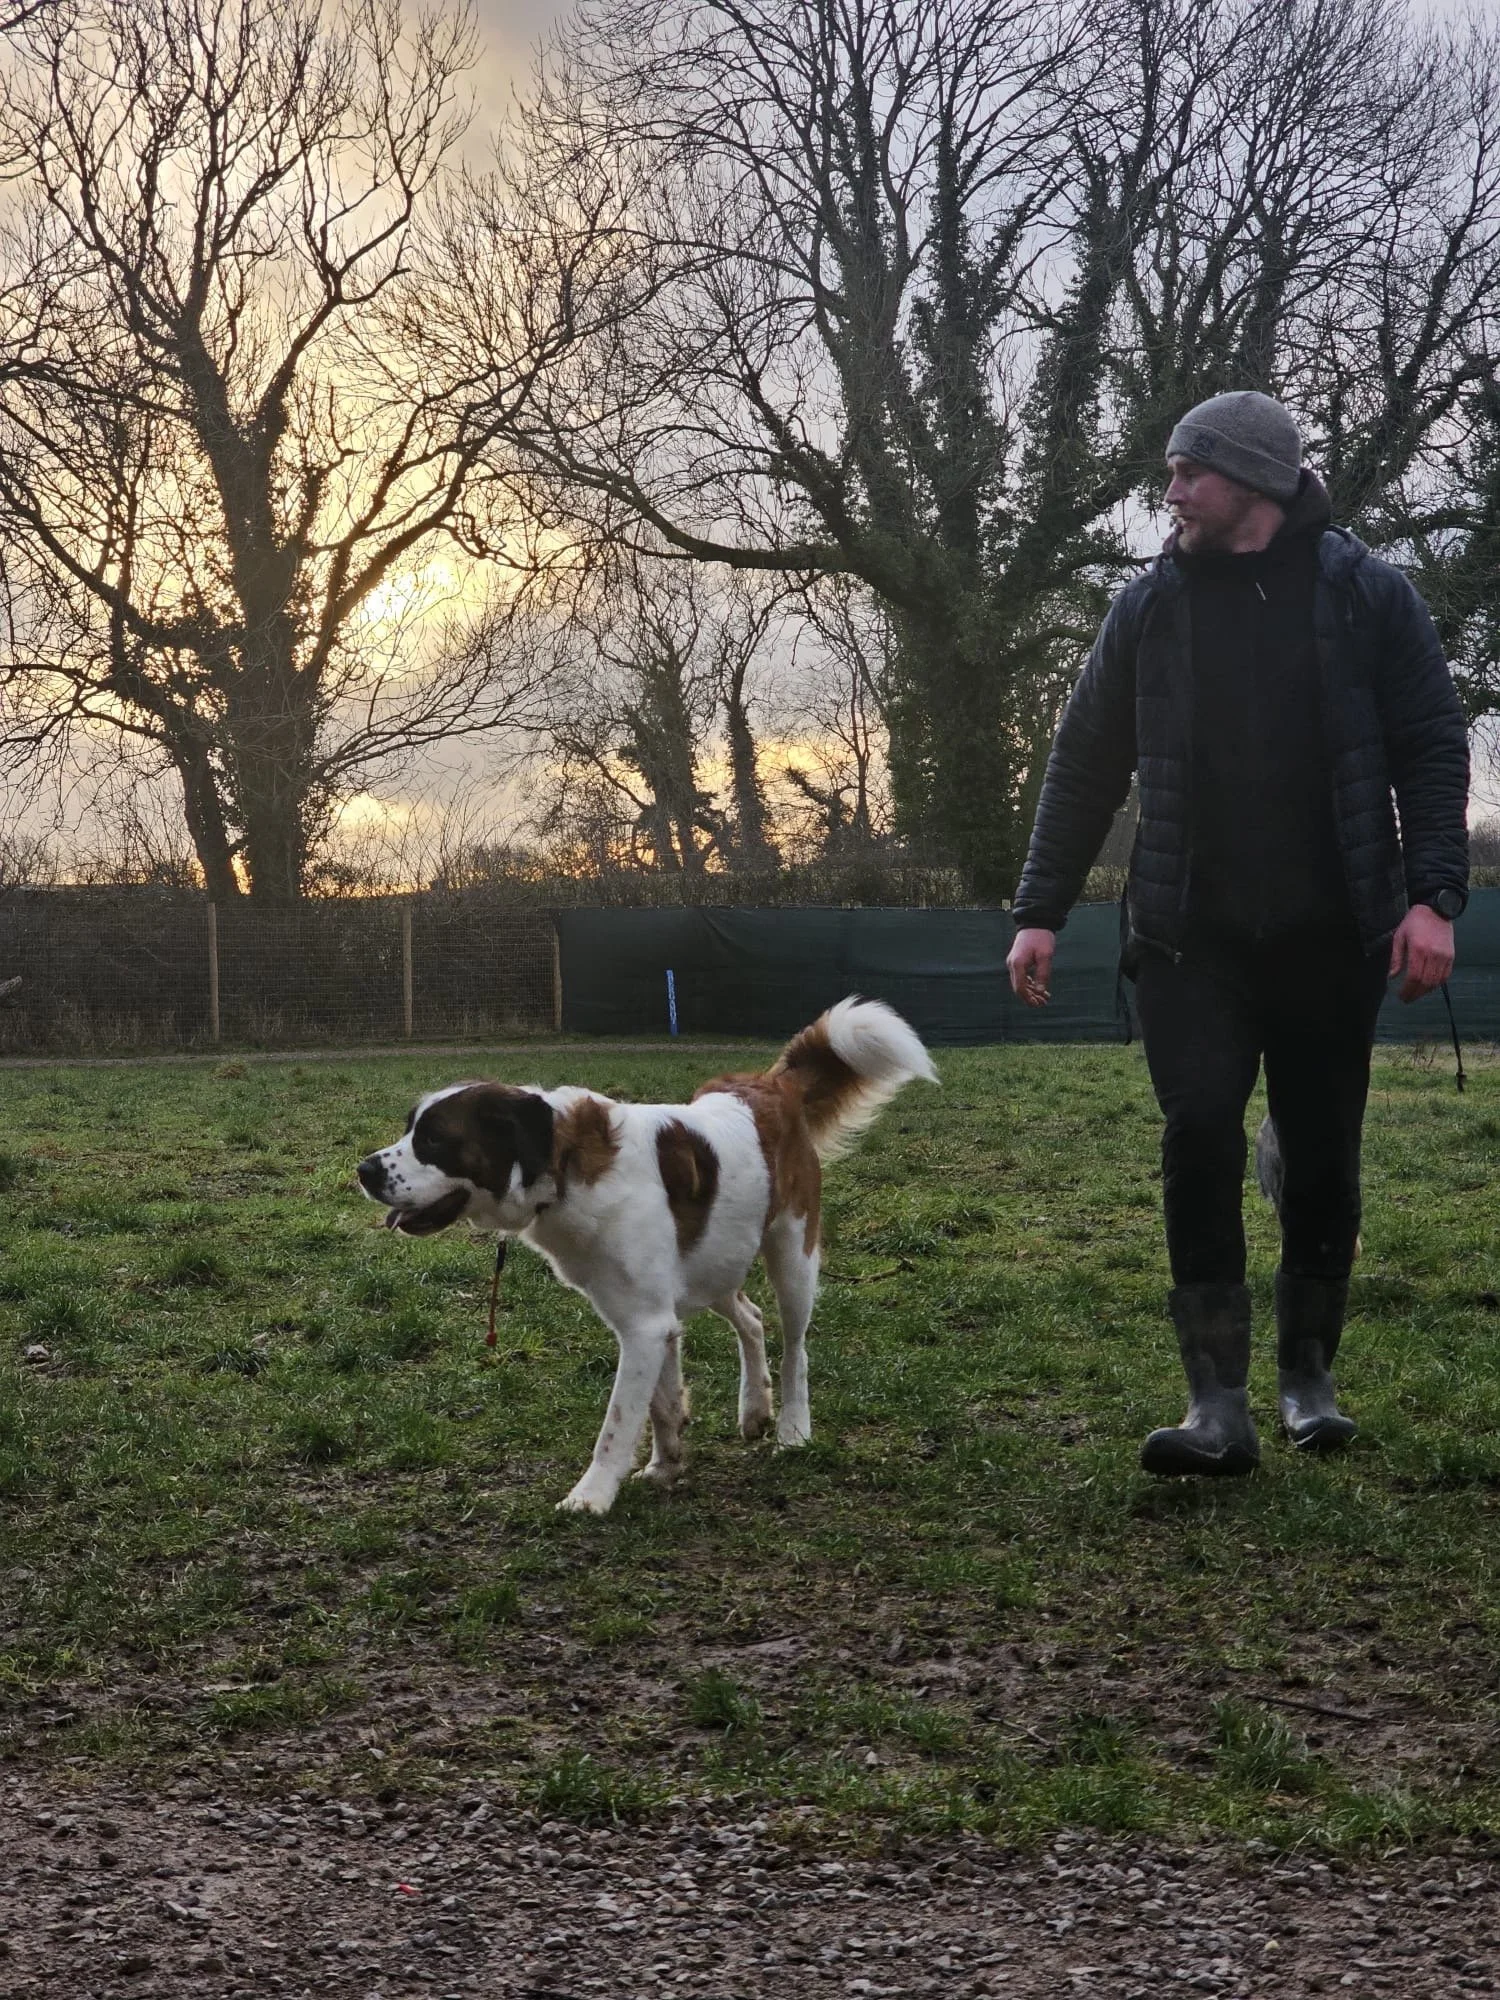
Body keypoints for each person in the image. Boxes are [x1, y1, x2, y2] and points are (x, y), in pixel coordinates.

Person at [1006, 389, 1469, 1477]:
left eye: (1186, 473)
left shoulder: (1367, 595)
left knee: (1320, 1151)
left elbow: (1433, 745)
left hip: (1330, 932)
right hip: (1187, 936)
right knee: (1199, 1130)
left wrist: (1432, 896)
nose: (1169, 493)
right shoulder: (1147, 609)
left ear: (1251, 486)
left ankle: (1309, 1376)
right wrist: (1038, 909)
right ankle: (1216, 1402)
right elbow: (1082, 762)